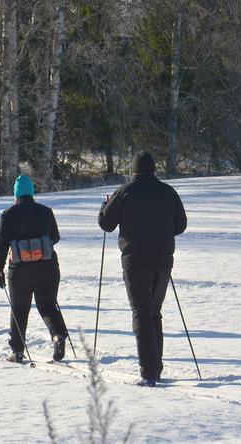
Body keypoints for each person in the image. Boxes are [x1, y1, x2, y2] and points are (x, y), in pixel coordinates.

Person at [98, 152, 187, 386]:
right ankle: (155, 367)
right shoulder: (168, 192)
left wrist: (104, 206)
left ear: (134, 170)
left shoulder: (125, 191)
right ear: (153, 169)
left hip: (135, 260)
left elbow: (106, 224)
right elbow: (181, 225)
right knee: (153, 311)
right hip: (163, 260)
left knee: (141, 312)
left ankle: (149, 373)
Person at [0, 175, 68, 363]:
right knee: (48, 305)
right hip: (48, 267)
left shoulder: (8, 214)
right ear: (31, 193)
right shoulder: (46, 211)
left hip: (20, 271)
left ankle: (17, 352)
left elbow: (2, 244)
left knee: (19, 309)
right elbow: (56, 237)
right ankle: (58, 335)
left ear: (16, 194)